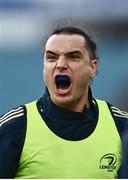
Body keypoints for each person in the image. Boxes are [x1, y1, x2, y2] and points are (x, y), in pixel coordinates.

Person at [0, 26, 128, 179]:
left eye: (73, 57)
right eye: (51, 57)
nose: (60, 64)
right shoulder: (13, 128)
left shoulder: (120, 126)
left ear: (92, 67)